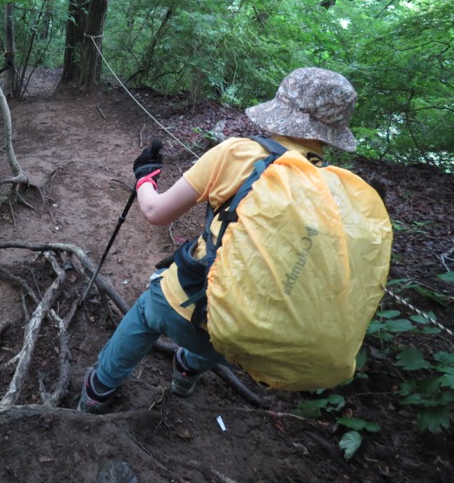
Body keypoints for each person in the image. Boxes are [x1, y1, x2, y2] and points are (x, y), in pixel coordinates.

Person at [77, 67, 360, 413]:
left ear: (282, 112)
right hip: (255, 333)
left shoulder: (238, 154)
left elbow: (154, 213)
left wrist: (144, 178)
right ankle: (186, 372)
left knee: (147, 314)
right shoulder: (334, 189)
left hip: (185, 307)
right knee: (222, 320)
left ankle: (98, 390)